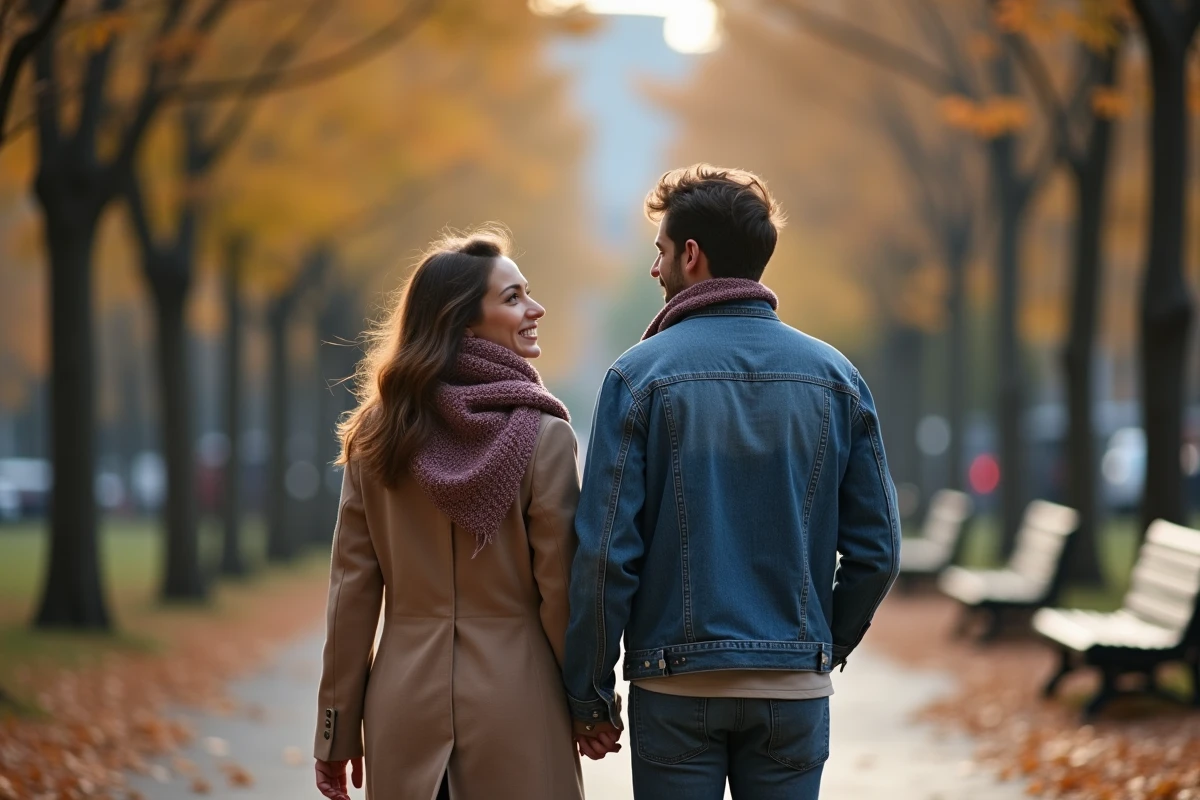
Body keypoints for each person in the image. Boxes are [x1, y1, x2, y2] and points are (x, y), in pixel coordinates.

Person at [564, 165, 901, 799]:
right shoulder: (837, 378)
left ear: (692, 256)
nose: (654, 270)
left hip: (675, 685)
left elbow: (606, 553)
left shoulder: (637, 378)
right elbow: (878, 553)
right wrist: (817, 644)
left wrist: (589, 688)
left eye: (660, 252)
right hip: (792, 692)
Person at [312, 228, 585, 800]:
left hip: (403, 710)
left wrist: (335, 732)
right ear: (462, 320)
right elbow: (560, 589)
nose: (535, 308)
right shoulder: (544, 436)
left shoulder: (377, 435)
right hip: (520, 706)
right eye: (512, 298)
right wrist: (589, 703)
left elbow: (352, 592)